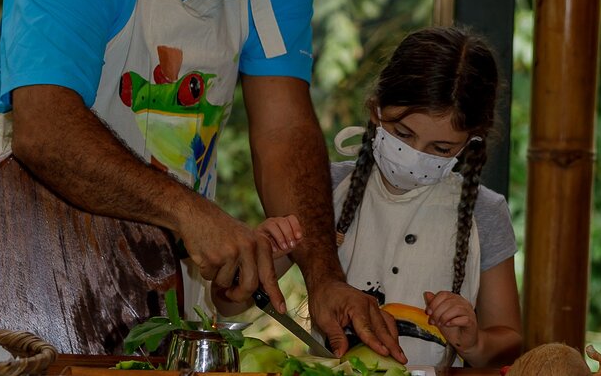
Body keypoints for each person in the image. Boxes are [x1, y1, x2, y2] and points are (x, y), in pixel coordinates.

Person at [0, 0, 404, 362]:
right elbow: (46, 130)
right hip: (21, 256)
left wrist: (324, 276)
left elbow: (284, 132)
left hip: (162, 281)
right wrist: (189, 213)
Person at [215, 26, 522, 367]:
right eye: (403, 134)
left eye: (441, 149)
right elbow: (229, 303)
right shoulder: (323, 190)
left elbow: (509, 343)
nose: (415, 154)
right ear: (376, 109)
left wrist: (475, 342)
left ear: (471, 143)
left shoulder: (485, 213)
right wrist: (264, 255)